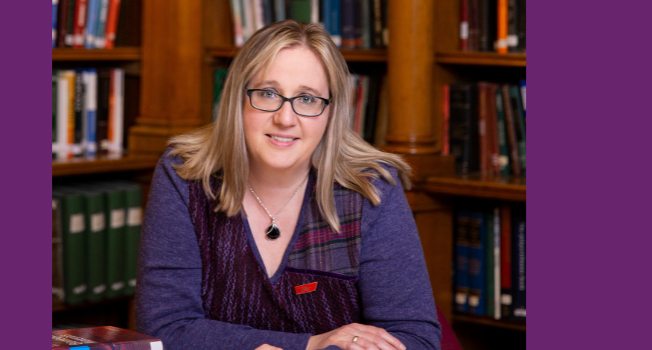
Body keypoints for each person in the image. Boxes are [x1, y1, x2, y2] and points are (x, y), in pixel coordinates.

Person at [136, 20, 441, 350]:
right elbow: (164, 328)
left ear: (331, 112)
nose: (285, 118)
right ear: (237, 99)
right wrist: (310, 345)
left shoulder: (369, 188)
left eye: (307, 99)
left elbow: (414, 338)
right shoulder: (186, 175)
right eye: (268, 94)